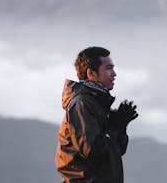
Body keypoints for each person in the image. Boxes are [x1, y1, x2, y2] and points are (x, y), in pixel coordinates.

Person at [56, 46, 138, 183]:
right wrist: (115, 126)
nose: (114, 73)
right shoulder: (81, 104)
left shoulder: (97, 104)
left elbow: (115, 152)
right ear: (91, 73)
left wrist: (121, 126)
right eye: (108, 68)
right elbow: (93, 151)